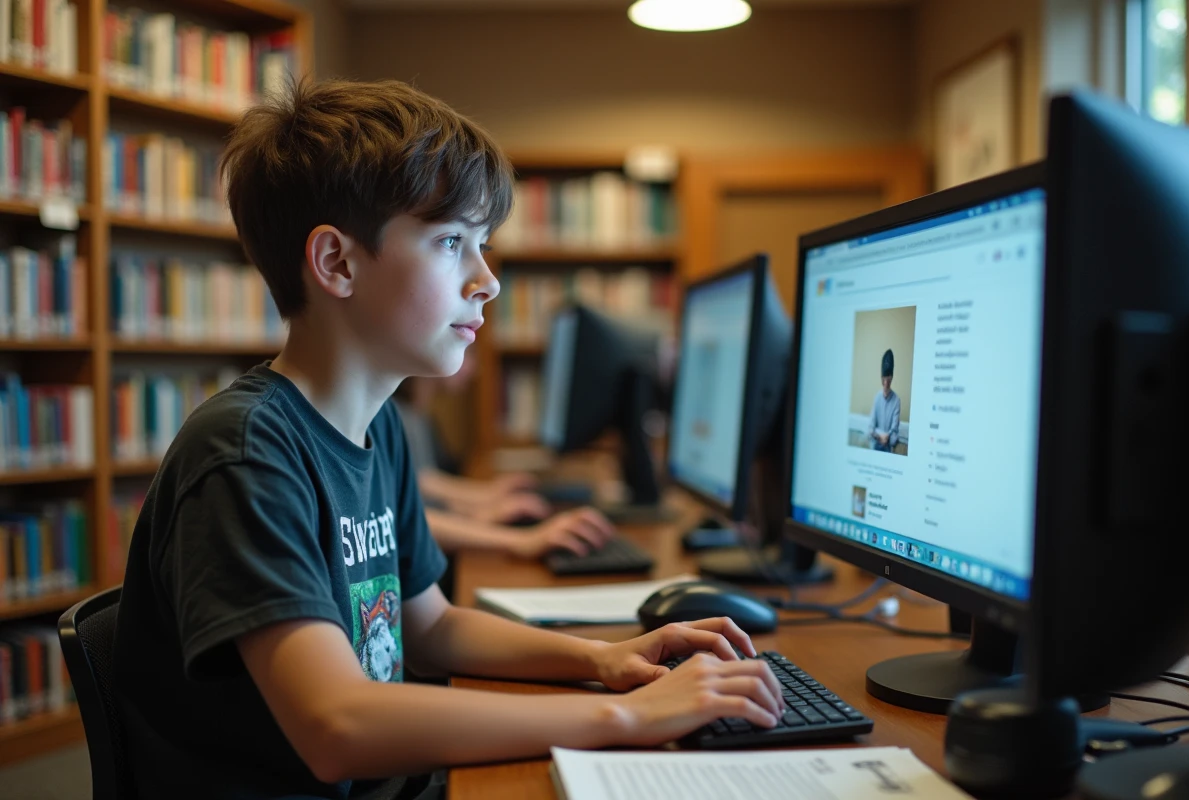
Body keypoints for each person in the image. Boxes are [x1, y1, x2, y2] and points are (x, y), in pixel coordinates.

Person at [111, 78, 784, 800]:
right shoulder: (246, 453)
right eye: (451, 242)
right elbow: (336, 726)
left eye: (481, 244)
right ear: (337, 263)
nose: (487, 280)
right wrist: (625, 715)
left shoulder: (377, 425)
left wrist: (605, 659)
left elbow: (430, 628)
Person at [396, 354, 616, 559]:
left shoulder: (415, 416)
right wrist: (521, 539)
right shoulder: (397, 415)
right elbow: (406, 517)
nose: (475, 367)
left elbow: (422, 488)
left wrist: (482, 505)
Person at [869, 348, 901, 452]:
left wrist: (887, 437)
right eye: (884, 379)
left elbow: (894, 430)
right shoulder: (877, 398)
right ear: (881, 378)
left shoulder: (896, 401)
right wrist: (879, 437)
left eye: (888, 379)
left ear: (892, 378)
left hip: (888, 448)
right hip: (875, 446)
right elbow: (870, 428)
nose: (886, 383)